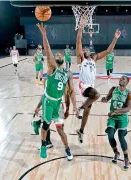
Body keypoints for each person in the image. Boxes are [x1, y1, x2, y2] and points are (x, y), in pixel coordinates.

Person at [36, 23, 78, 160]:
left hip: (58, 104)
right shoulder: (52, 68)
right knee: (46, 125)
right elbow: (48, 50)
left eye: (60, 54)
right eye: (57, 54)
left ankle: (67, 149)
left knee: (60, 129)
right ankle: (43, 144)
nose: (58, 54)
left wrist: (73, 107)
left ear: (63, 59)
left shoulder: (68, 73)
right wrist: (44, 35)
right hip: (48, 102)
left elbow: (71, 92)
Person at [76, 19, 121, 143]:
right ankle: (80, 107)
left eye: (86, 49)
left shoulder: (94, 58)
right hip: (84, 87)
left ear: (90, 51)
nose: (85, 49)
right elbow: (78, 42)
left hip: (90, 87)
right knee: (97, 95)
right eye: (84, 49)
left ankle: (80, 131)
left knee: (87, 113)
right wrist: (80, 28)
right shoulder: (81, 59)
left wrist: (115, 38)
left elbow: (108, 51)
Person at [101, 76, 131, 170]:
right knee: (110, 135)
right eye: (120, 78)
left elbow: (128, 108)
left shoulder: (129, 93)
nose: (121, 79)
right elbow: (107, 98)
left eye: (124, 79)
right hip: (112, 117)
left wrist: (115, 112)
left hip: (122, 118)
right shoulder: (113, 89)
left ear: (127, 82)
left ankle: (126, 158)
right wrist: (104, 99)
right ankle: (116, 152)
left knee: (121, 137)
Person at [32, 76, 71, 152]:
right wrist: (67, 109)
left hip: (57, 106)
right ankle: (47, 142)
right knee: (47, 124)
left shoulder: (50, 79)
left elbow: (66, 96)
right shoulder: (61, 78)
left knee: (57, 128)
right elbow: (45, 95)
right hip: (56, 105)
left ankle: (37, 123)